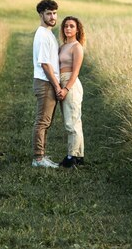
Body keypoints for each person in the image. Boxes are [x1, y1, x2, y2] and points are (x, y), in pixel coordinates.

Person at [31, 0, 61, 168]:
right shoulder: (43, 35)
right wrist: (56, 86)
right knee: (42, 121)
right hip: (45, 82)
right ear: (41, 14)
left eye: (54, 13)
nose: (52, 16)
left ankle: (42, 155)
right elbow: (44, 64)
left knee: (46, 121)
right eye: (49, 13)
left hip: (48, 81)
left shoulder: (48, 33)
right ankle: (38, 158)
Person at [57, 16, 86, 168]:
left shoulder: (77, 47)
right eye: (66, 26)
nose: (68, 28)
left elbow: (75, 72)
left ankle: (71, 157)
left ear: (77, 29)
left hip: (71, 84)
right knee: (75, 120)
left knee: (71, 122)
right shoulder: (62, 47)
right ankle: (79, 156)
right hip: (62, 82)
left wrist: (66, 88)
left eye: (71, 26)